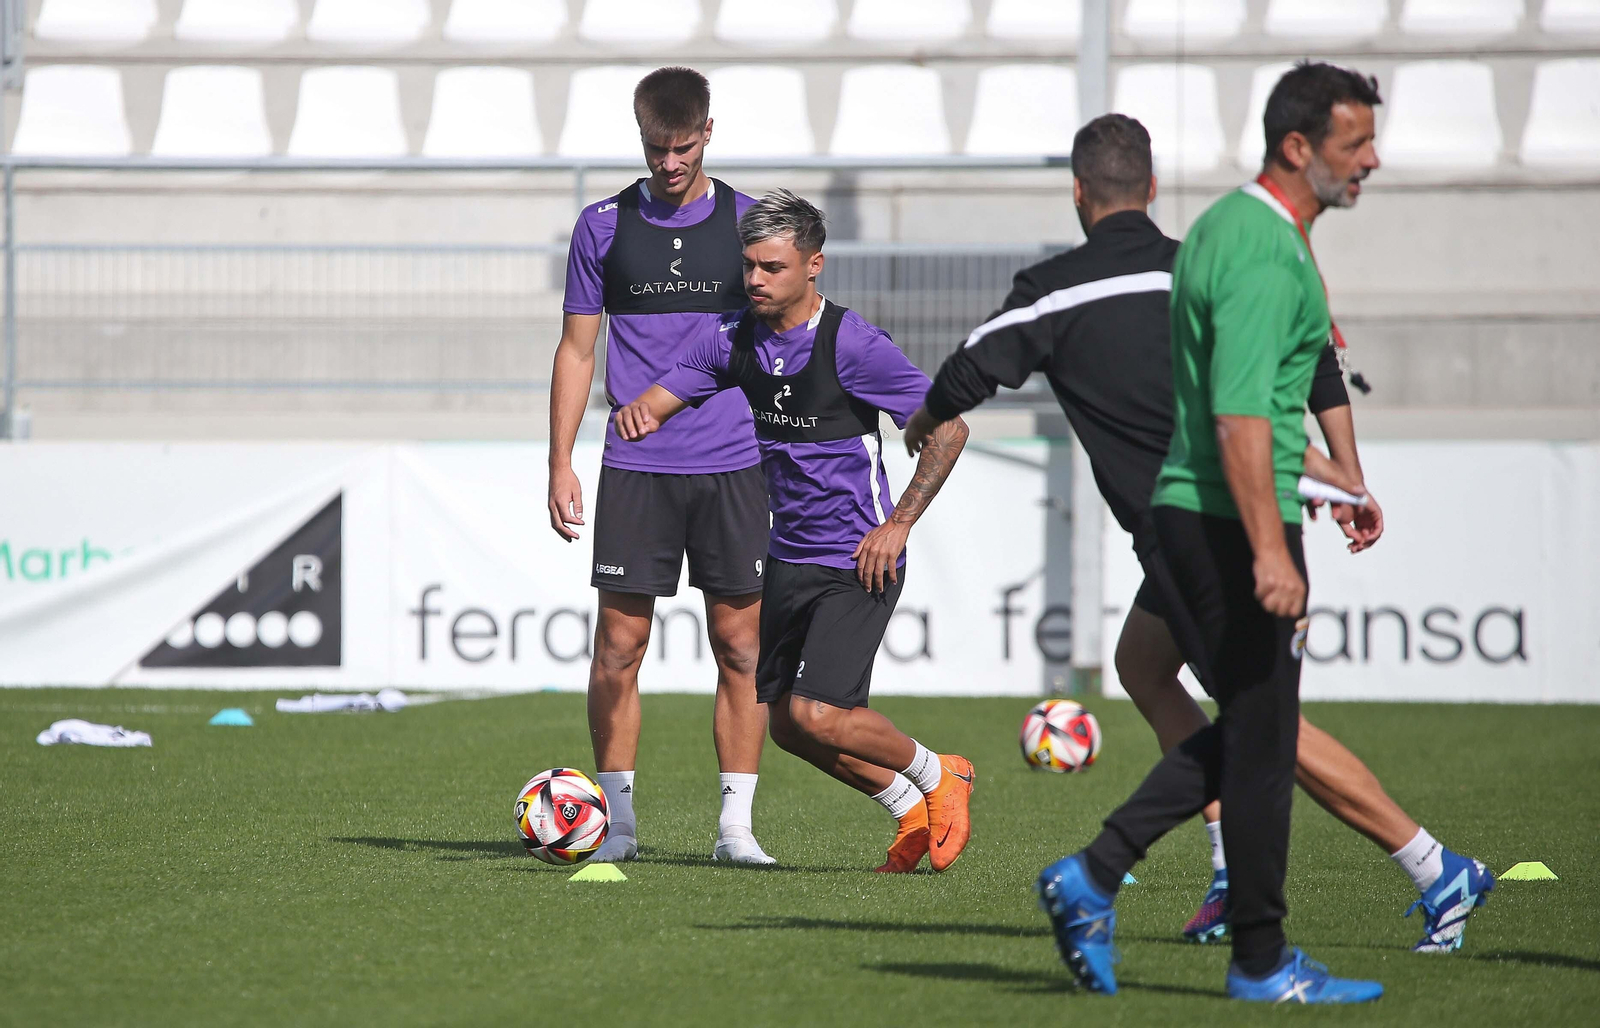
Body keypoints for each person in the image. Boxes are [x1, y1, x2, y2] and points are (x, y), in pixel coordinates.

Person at [906, 104, 1493, 954]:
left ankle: (1435, 867)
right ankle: (1229, 873)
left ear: (1079, 194)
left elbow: (965, 370)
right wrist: (1344, 470)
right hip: (1229, 507)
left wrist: (922, 420)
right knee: (1143, 664)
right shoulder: (1206, 264)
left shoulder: (1056, 288)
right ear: (1151, 188)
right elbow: (1316, 349)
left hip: (1200, 526)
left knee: (1266, 722)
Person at [614, 190, 977, 873]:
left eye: (771, 267)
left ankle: (941, 775)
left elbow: (949, 429)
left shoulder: (854, 344)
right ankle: (908, 808)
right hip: (786, 556)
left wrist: (897, 525)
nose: (754, 278)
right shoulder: (730, 338)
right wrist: (640, 414)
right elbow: (661, 398)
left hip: (857, 559)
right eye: (748, 265)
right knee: (788, 727)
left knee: (818, 714)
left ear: (813, 266)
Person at [546, 67, 774, 865]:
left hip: (734, 463)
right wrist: (560, 462)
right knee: (617, 647)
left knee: (742, 648)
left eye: (682, 148)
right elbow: (578, 350)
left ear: (709, 132)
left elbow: (778, 343)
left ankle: (735, 829)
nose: (669, 163)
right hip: (637, 469)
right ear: (639, 136)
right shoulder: (601, 226)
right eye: (655, 148)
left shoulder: (753, 224)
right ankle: (618, 826)